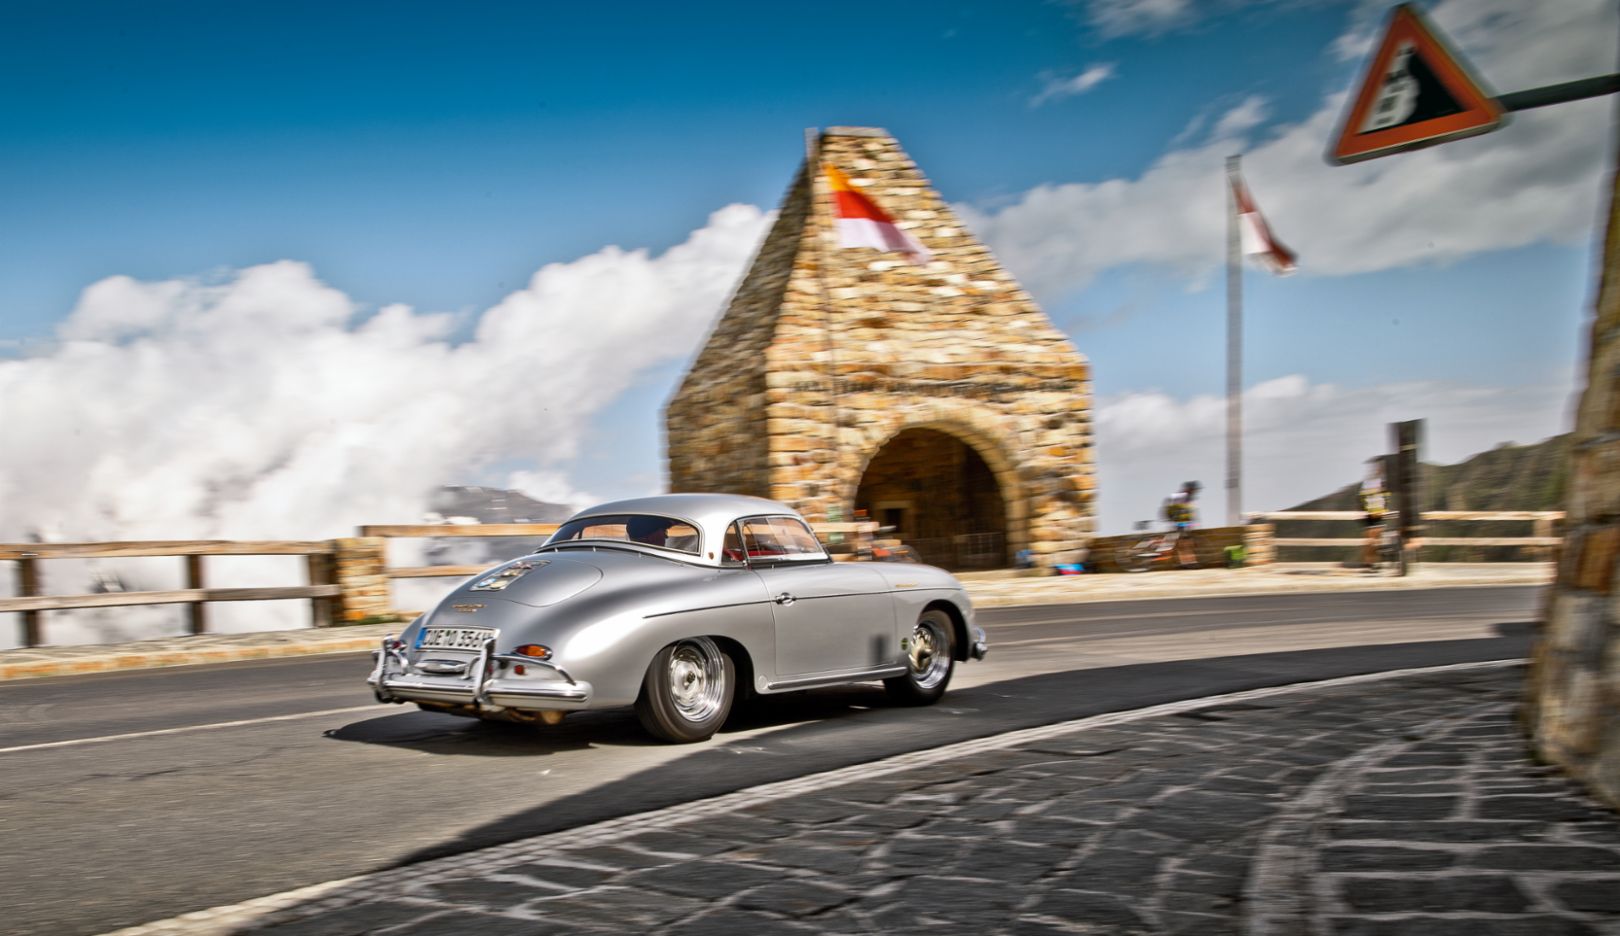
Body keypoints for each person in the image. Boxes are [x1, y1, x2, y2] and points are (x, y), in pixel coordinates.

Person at [1359, 460, 1391, 570]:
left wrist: (1384, 509)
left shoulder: (1378, 481)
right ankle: (1369, 563)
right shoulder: (1371, 482)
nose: (1379, 469)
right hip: (1372, 514)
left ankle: (1373, 563)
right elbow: (1363, 498)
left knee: (1376, 540)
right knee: (1371, 540)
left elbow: (1386, 497)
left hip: (1378, 514)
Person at [1163, 481, 1200, 568]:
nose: (1195, 491)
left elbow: (1187, 510)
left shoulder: (1187, 497)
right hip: (1180, 523)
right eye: (1194, 489)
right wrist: (1173, 518)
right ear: (1189, 489)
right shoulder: (1181, 496)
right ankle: (1187, 562)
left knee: (1187, 543)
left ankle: (1188, 562)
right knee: (1184, 543)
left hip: (1184, 523)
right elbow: (1171, 505)